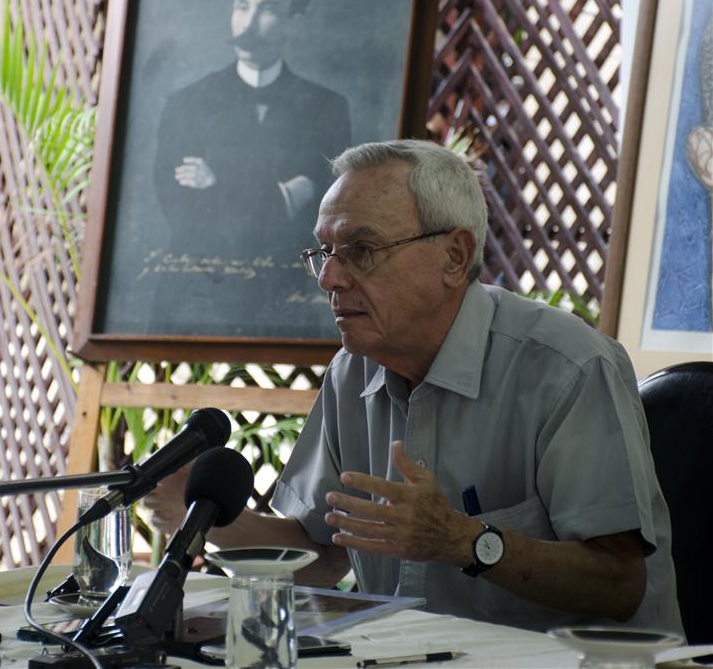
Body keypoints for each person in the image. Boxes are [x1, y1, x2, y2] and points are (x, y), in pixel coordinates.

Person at [145, 139, 684, 634]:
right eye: (323, 252)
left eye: (361, 249)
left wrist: (463, 542)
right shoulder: (351, 371)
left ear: (453, 256)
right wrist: (207, 517)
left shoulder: (566, 367)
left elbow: (619, 584)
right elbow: (326, 555)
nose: (331, 278)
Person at [150, 0, 352, 335]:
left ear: (294, 21)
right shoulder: (187, 103)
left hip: (287, 297)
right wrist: (282, 196)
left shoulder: (327, 108)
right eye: (242, 6)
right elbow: (182, 210)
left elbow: (324, 214)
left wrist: (217, 185)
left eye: (268, 9)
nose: (249, 22)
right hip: (197, 296)